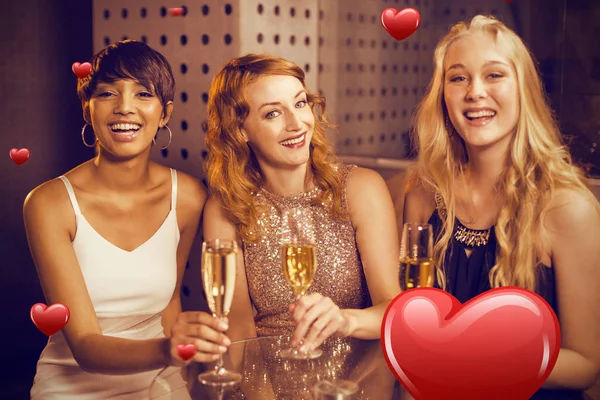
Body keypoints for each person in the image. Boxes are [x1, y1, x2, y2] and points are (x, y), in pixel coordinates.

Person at [402, 15, 600, 398]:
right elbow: (412, 327)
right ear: (442, 95)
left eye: (494, 75)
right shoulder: (424, 196)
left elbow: (585, 364)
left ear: (522, 89)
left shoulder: (567, 207)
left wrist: (474, 352)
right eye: (458, 78)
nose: (475, 91)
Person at [24, 40, 226, 399]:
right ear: (87, 110)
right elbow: (85, 346)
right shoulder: (49, 203)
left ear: (164, 113)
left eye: (143, 94)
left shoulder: (190, 196)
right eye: (107, 94)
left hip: (160, 380)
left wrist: (177, 367)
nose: (125, 108)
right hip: (71, 387)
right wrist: (171, 350)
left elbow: (168, 306)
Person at [203, 54, 401, 351]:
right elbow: (239, 332)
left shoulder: (361, 189)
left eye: (299, 103)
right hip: (265, 379)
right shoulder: (225, 209)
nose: (296, 124)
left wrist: (347, 321)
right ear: (241, 131)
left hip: (355, 383)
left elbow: (393, 310)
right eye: (273, 113)